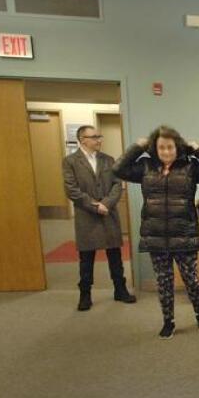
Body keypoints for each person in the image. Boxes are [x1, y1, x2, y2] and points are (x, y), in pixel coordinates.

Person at [113, 126, 199, 339]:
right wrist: (137, 147)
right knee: (164, 282)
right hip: (156, 236)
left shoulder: (190, 167)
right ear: (155, 148)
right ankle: (168, 321)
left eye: (170, 147)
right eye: (161, 147)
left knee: (191, 280)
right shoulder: (145, 166)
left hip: (184, 234)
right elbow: (118, 169)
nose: (165, 151)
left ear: (177, 147)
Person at [62, 125, 136, 310]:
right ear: (82, 139)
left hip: (108, 213)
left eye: (99, 136)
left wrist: (107, 204)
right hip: (86, 215)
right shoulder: (70, 161)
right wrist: (95, 206)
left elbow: (117, 185)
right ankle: (85, 294)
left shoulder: (109, 160)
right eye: (94, 137)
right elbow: (71, 189)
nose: (99, 140)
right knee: (86, 258)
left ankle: (120, 290)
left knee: (115, 255)